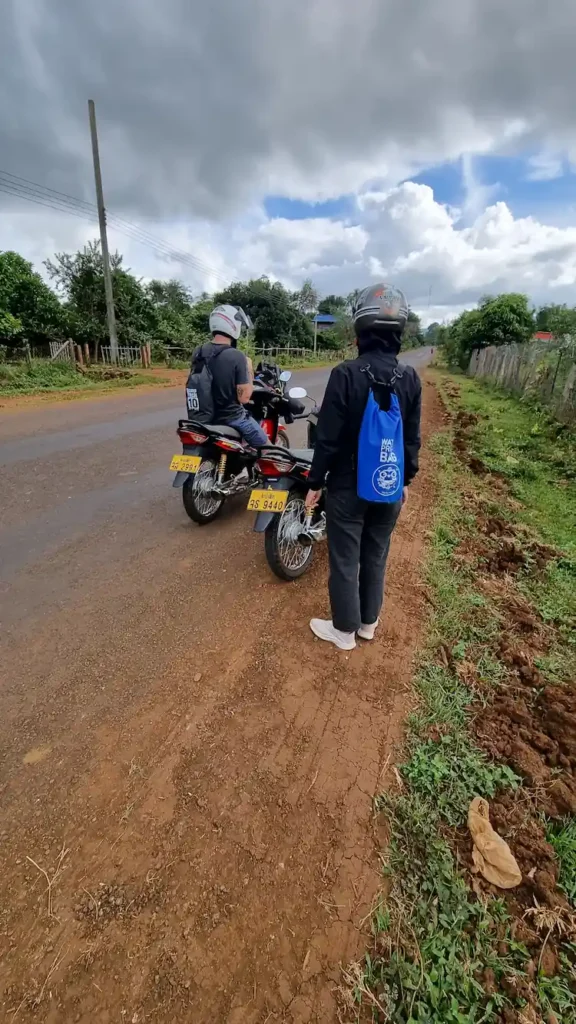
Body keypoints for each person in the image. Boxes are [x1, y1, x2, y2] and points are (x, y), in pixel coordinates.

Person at [305, 283, 422, 650]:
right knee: (376, 554)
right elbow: (411, 440)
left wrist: (314, 481)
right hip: (387, 483)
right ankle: (368, 623)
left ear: (359, 332)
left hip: (346, 486)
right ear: (399, 332)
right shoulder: (411, 378)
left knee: (344, 557)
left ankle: (343, 632)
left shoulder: (345, 374)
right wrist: (405, 478)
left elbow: (326, 438)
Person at [190, 304, 269, 447]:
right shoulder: (237, 356)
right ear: (233, 325)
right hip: (231, 418)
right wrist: (249, 368)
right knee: (269, 451)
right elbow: (244, 398)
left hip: (203, 418)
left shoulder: (198, 351)